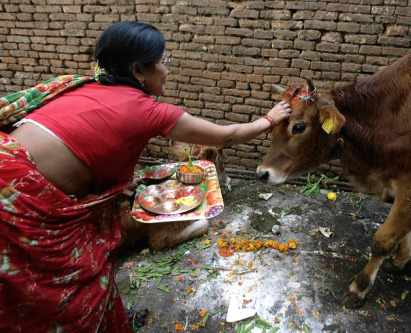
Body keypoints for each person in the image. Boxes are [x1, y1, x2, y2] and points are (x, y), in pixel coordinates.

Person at [0, 21, 291, 332]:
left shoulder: (83, 87)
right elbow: (227, 136)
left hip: (13, 166)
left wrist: (116, 189)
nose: (167, 70)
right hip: (15, 196)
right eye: (164, 62)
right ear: (139, 70)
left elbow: (81, 147)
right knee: (71, 292)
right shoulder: (148, 110)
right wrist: (269, 119)